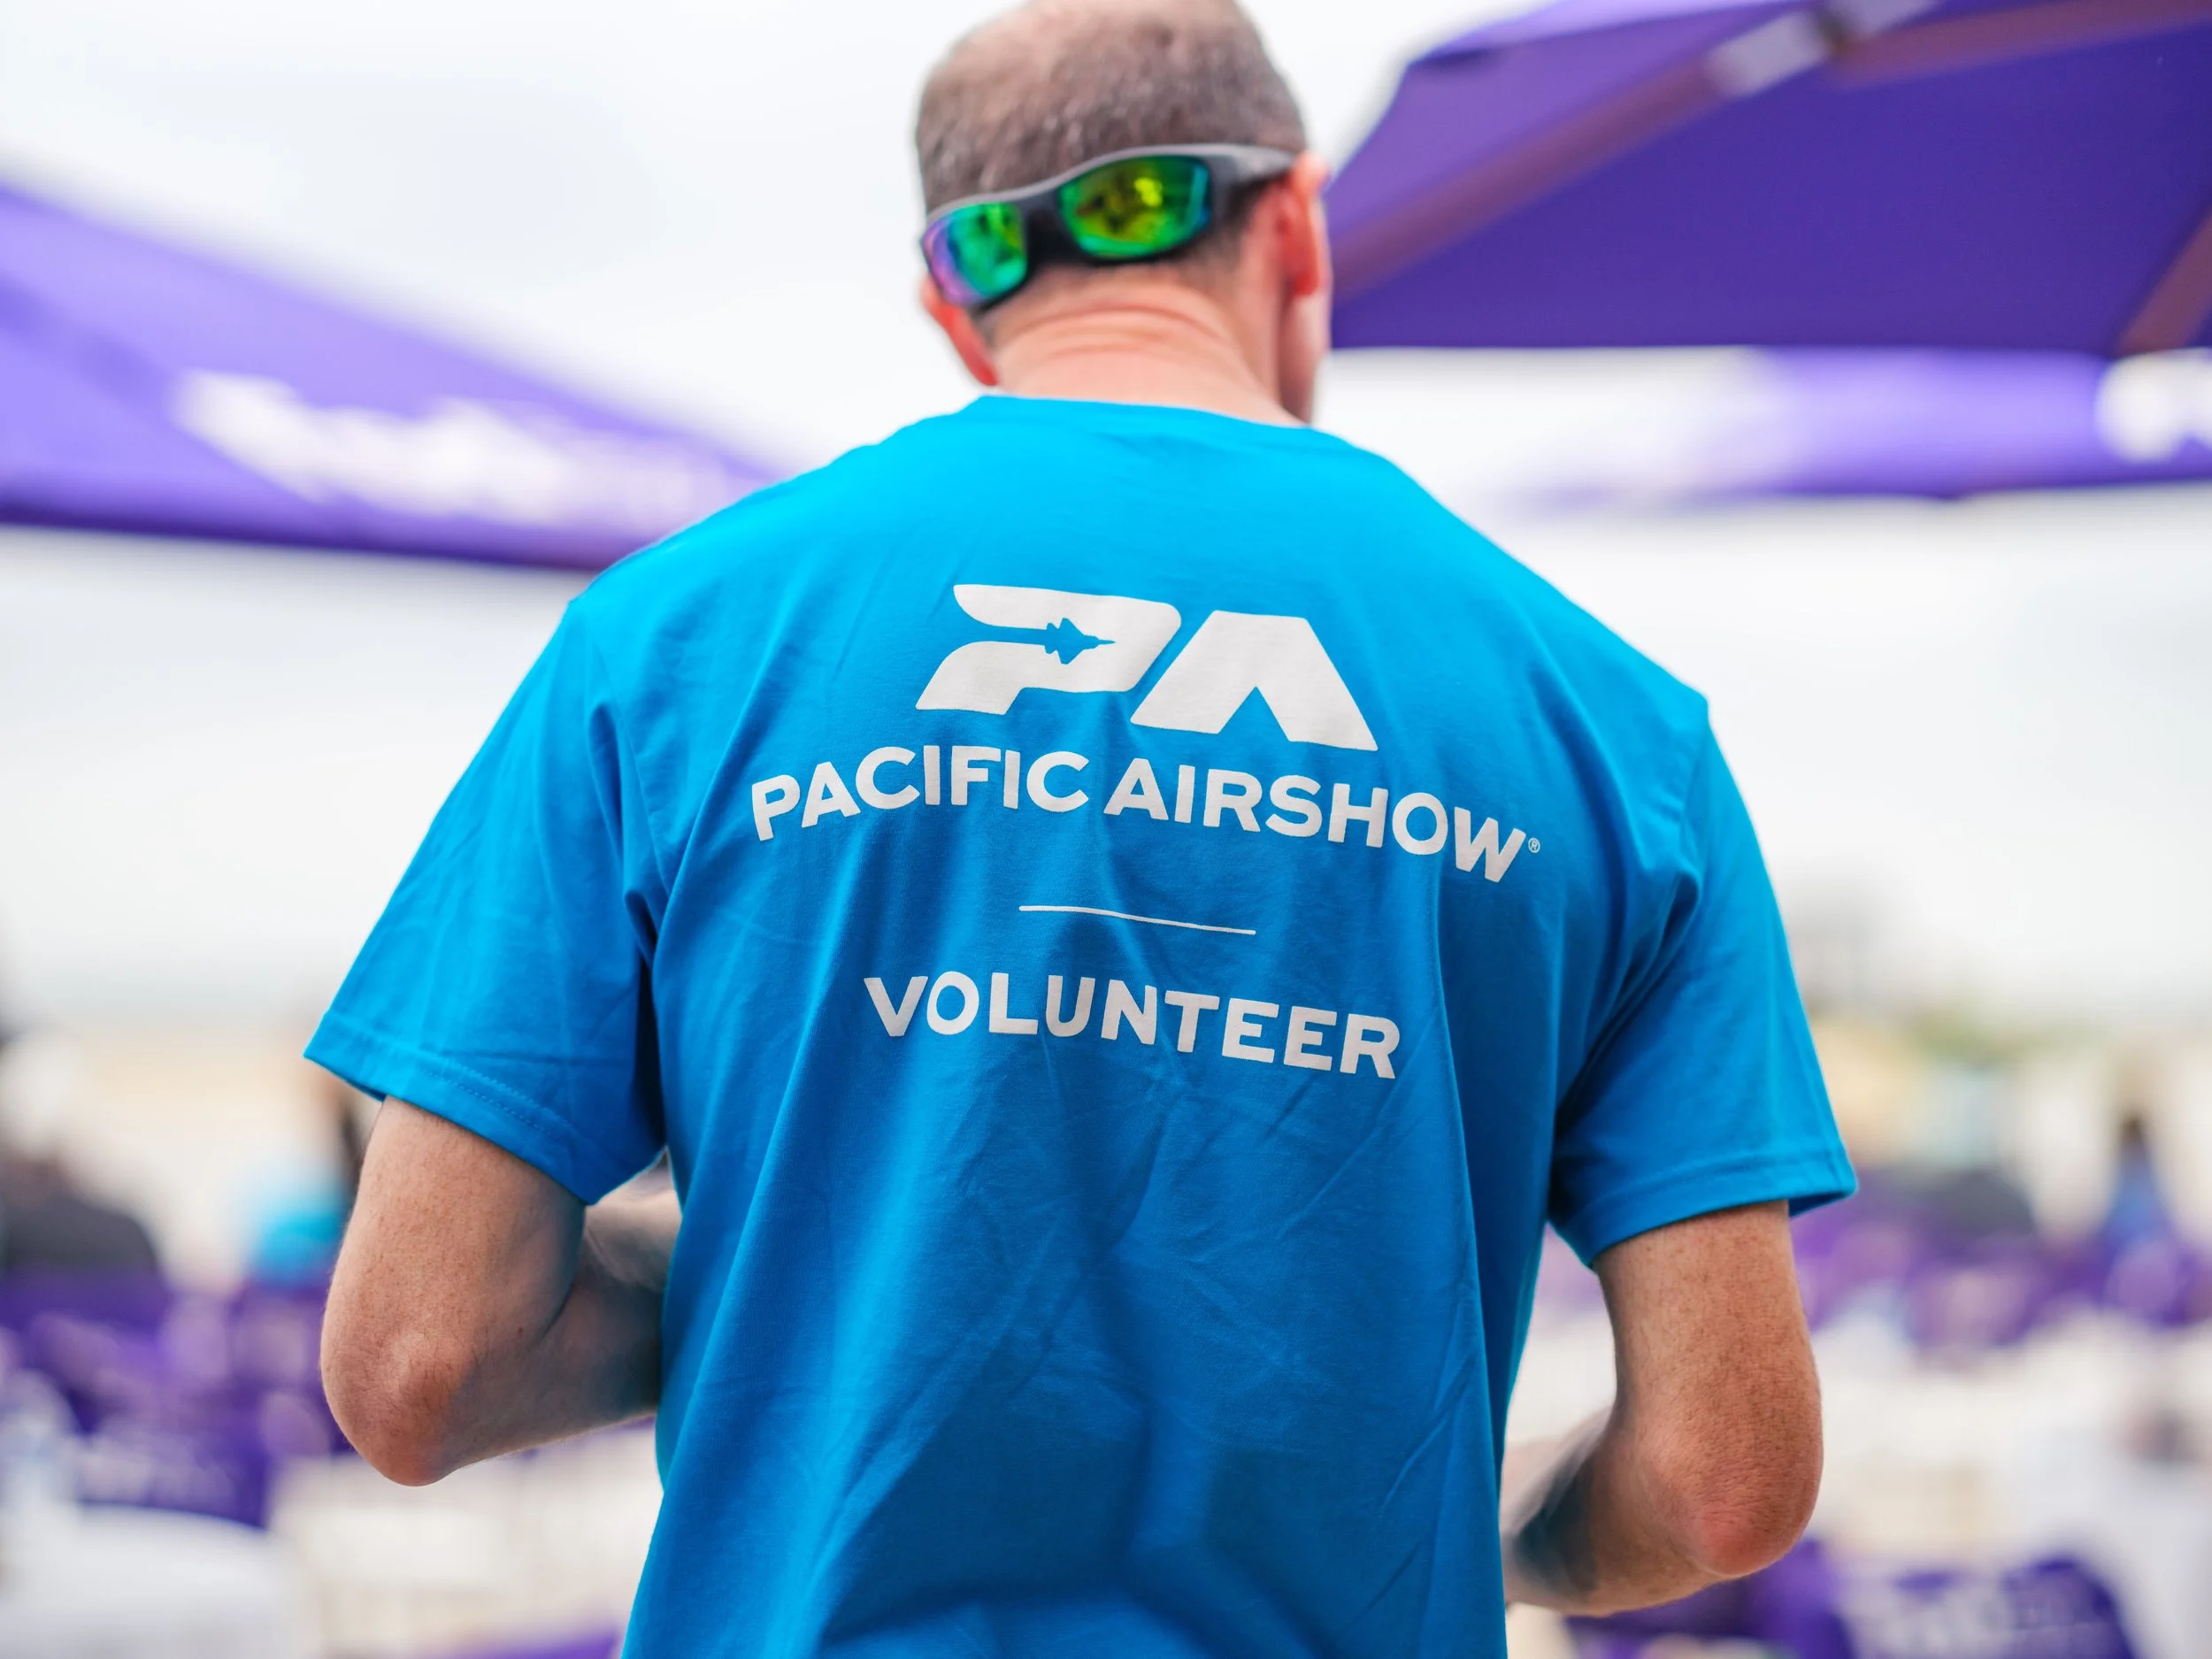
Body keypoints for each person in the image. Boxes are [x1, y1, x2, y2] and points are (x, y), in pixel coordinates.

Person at [313, 1, 1854, 1652]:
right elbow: (1723, 1480)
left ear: (954, 303)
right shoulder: (1612, 727)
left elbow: (420, 1358)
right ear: (1299, 225)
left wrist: (799, 1301)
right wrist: (1506, 1538)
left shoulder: (676, 644)